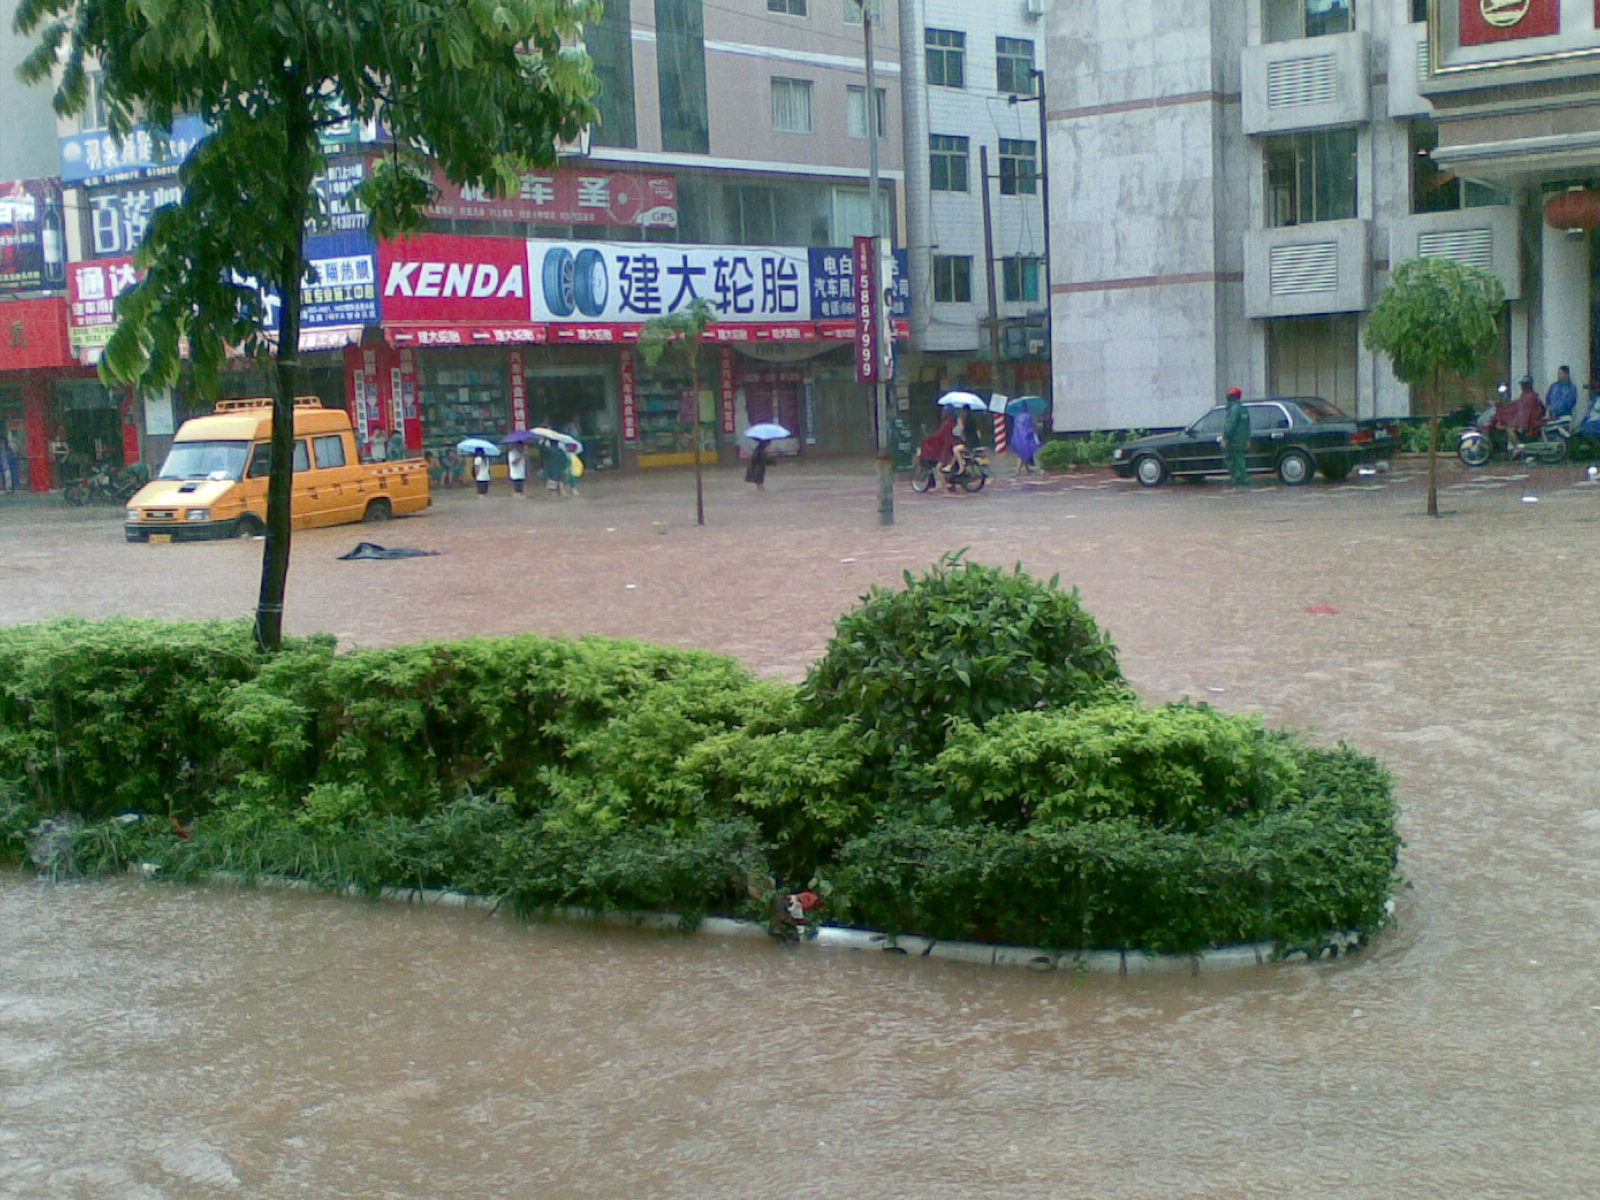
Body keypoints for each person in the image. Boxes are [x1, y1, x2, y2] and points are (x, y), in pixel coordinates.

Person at [1487, 376, 1545, 449]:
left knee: (1509, 429)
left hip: (1529, 426)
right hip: (1526, 423)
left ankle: (1516, 448)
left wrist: (1518, 424)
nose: (1521, 387)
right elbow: (1517, 405)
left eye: (1523, 385)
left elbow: (1527, 414)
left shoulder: (1531, 397)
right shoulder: (1525, 395)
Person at [1222, 386, 1250, 487]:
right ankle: (1242, 481)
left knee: (1232, 461)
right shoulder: (1243, 408)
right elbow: (1247, 426)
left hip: (1234, 441)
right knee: (1241, 461)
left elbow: (1230, 424)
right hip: (1241, 440)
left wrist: (1226, 438)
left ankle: (1239, 481)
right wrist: (1247, 439)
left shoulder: (1234, 409)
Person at [1011, 407, 1041, 475]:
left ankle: (1025, 469)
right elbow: (1031, 426)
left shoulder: (1017, 417)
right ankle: (1018, 470)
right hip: (1028, 437)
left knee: (1023, 453)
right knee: (1032, 452)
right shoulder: (1028, 416)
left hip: (1018, 438)